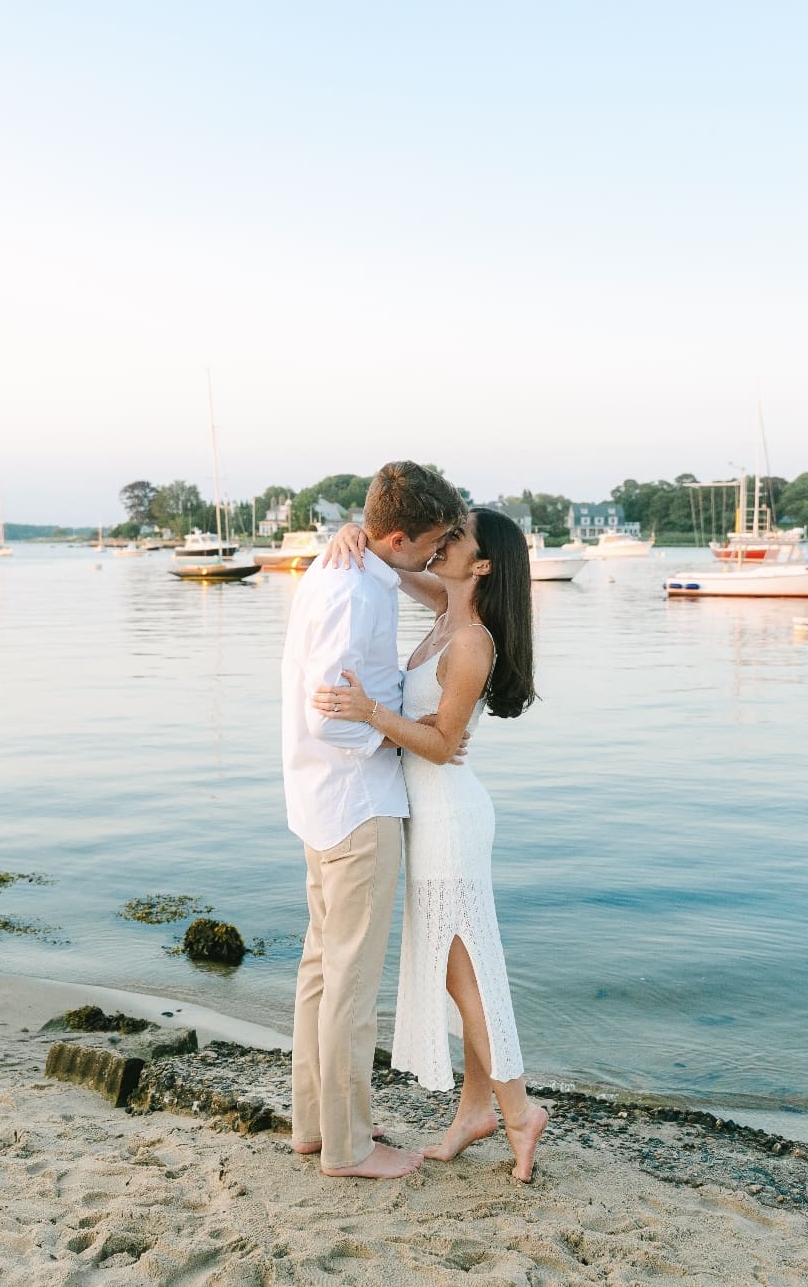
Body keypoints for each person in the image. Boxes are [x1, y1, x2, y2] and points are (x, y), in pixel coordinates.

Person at [312, 506, 549, 1182]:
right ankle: (478, 1110)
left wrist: (372, 715)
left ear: (483, 565)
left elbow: (443, 746)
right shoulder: (445, 610)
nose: (440, 544)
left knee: (462, 975)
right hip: (432, 815)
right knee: (462, 972)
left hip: (451, 818)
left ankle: (518, 1108)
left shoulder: (471, 641)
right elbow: (393, 563)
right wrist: (353, 534)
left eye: (456, 539)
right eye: (442, 534)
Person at [280, 461, 465, 1180]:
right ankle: (350, 1147)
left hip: (321, 802)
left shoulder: (342, 575)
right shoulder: (357, 591)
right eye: (432, 541)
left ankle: (316, 1125)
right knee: (351, 985)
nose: (436, 552)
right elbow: (334, 716)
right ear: (397, 536)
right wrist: (396, 730)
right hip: (357, 804)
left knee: (323, 972)